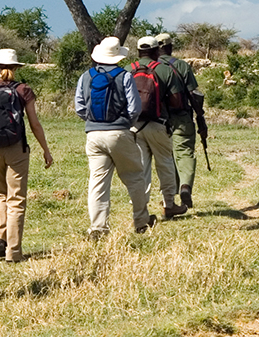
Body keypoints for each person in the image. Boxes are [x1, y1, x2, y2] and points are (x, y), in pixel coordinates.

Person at [0, 48, 54, 263]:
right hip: (16, 147)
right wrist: (45, 150)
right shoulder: (23, 90)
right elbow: (34, 124)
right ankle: (14, 252)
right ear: (16, 68)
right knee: (16, 199)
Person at [74, 36, 154, 237]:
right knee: (134, 177)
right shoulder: (124, 76)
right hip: (119, 132)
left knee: (98, 182)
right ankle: (141, 221)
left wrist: (92, 121)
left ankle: (98, 227)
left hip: (93, 135)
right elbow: (134, 107)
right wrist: (126, 123)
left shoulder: (86, 76)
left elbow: (79, 107)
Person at [131, 36, 188, 219]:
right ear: (156, 51)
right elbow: (176, 101)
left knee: (141, 168)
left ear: (138, 52)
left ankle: (140, 210)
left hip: (134, 126)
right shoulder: (164, 70)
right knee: (165, 163)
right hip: (158, 124)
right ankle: (169, 204)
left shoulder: (128, 70)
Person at [155, 32, 207, 208]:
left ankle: (169, 198)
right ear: (170, 47)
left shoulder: (152, 67)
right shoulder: (181, 66)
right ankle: (185, 186)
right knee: (184, 152)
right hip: (181, 117)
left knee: (166, 157)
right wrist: (200, 117)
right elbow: (194, 94)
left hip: (157, 119)